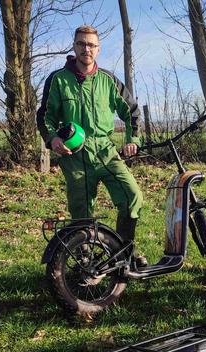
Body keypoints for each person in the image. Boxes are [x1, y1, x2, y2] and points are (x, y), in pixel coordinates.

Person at [37, 25, 145, 262]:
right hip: (74, 156)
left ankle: (124, 251)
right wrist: (52, 138)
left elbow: (132, 112)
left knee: (132, 196)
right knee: (81, 213)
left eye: (91, 45)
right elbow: (45, 116)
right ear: (74, 46)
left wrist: (132, 140)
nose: (86, 49)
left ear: (98, 49)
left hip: (106, 153)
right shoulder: (58, 80)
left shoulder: (108, 80)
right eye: (81, 44)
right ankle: (84, 259)